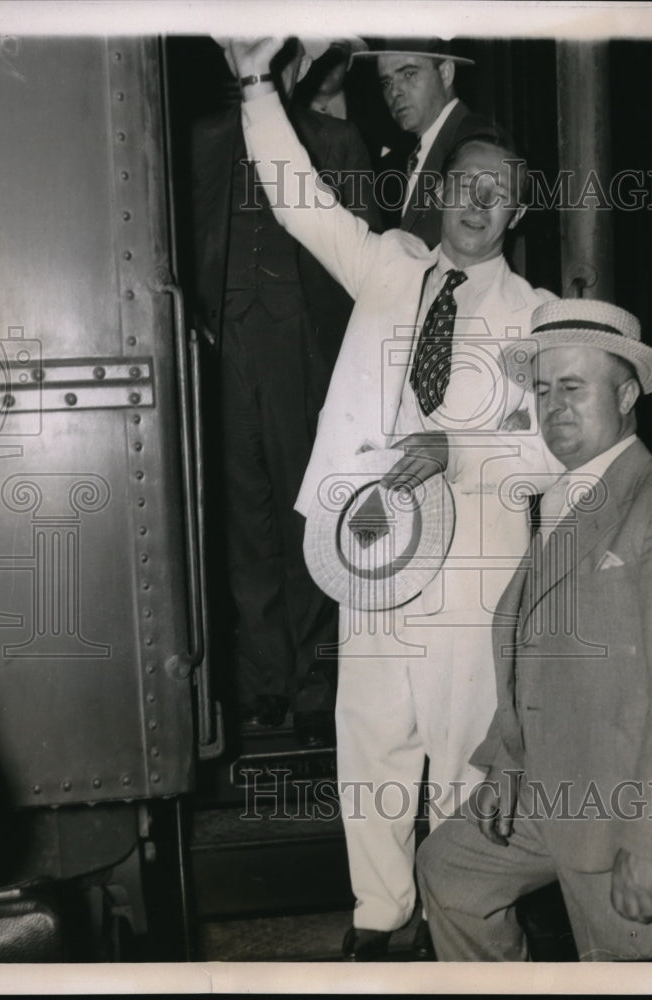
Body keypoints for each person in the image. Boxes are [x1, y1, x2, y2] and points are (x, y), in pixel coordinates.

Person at [230, 37, 564, 960]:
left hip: (473, 580)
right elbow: (297, 198)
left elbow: (553, 453)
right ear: (444, 191)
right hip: (373, 556)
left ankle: (459, 926)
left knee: (462, 764)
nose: (479, 203)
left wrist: (460, 450)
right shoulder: (388, 267)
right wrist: (257, 86)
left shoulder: (536, 321)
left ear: (518, 211)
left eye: (499, 192)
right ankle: (382, 919)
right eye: (467, 185)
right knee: (371, 746)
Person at [416, 297, 652, 961]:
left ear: (624, 394)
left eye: (572, 387)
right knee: (450, 870)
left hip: (619, 808)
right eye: (540, 389)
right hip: (545, 786)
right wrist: (508, 759)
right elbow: (534, 653)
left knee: (621, 966)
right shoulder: (565, 498)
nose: (551, 405)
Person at [191, 38, 380, 746]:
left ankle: (312, 682)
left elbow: (367, 255)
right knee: (244, 521)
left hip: (305, 349)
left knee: (309, 515)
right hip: (227, 350)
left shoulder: (338, 140)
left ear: (298, 65)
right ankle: (264, 682)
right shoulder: (203, 141)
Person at [356, 37, 486, 245]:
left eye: (409, 74)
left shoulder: (477, 143)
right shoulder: (410, 152)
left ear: (445, 74)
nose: (395, 92)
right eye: (386, 82)